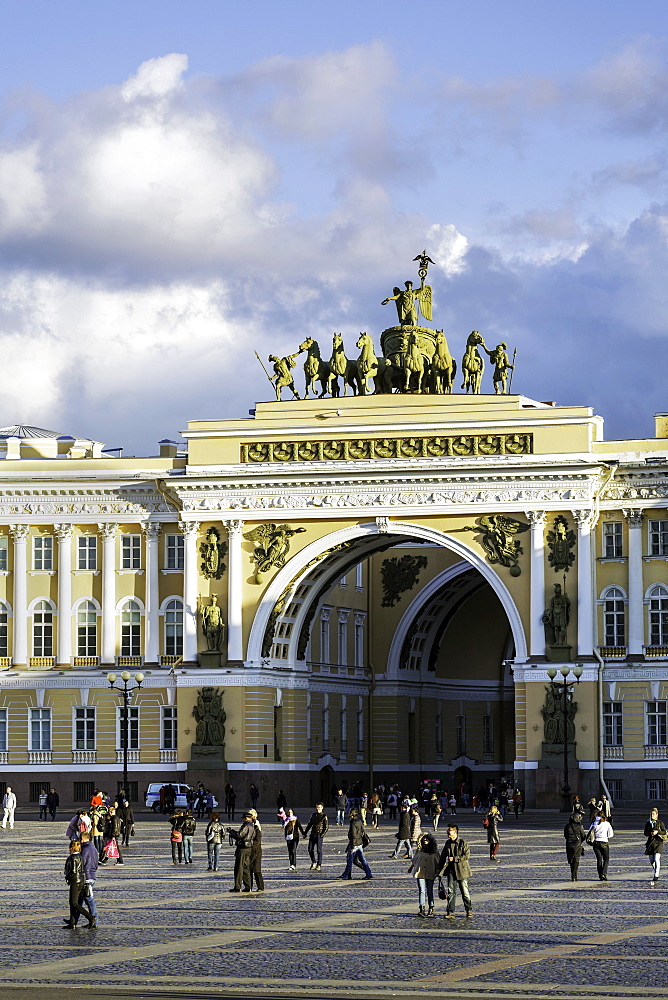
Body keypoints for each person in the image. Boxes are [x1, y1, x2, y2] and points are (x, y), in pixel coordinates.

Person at [438, 824, 473, 920]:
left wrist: (455, 858)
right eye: (448, 830)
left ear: (455, 832)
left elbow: (466, 856)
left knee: (464, 892)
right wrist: (439, 870)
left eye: (450, 830)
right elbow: (442, 857)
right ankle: (450, 911)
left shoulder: (463, 843)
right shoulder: (447, 843)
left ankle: (468, 910)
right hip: (451, 871)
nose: (448, 832)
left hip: (462, 871)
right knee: (450, 892)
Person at [63, 841, 94, 929]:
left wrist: (67, 877)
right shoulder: (80, 857)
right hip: (81, 880)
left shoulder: (73, 858)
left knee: (74, 903)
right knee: (73, 902)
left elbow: (73, 870)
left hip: (75, 881)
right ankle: (72, 922)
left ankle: (90, 917)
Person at [408, 833, 439, 917]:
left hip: (430, 872)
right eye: (424, 839)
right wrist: (411, 867)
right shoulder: (419, 850)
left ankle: (431, 908)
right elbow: (415, 859)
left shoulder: (434, 851)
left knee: (429, 891)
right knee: (422, 890)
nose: (425, 841)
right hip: (420, 872)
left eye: (427, 839)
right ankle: (422, 909)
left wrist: (438, 872)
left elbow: (438, 862)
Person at [340, 808, 373, 880]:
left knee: (350, 860)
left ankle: (346, 875)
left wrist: (352, 846)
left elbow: (354, 835)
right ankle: (369, 873)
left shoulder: (353, 822)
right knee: (362, 860)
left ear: (351, 814)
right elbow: (362, 831)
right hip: (360, 843)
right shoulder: (359, 820)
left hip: (355, 844)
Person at [228, 811, 256, 892]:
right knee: (245, 867)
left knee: (239, 867)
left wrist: (231, 832)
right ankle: (248, 886)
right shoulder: (252, 826)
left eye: (244, 818)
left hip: (242, 848)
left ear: (246, 818)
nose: (243, 820)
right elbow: (253, 836)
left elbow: (240, 834)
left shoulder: (246, 825)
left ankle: (237, 887)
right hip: (249, 847)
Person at [79, 832, 99, 928]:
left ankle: (94, 921)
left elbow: (81, 863)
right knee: (79, 901)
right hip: (91, 875)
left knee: (89, 900)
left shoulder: (85, 849)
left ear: (83, 838)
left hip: (86, 877)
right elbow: (96, 863)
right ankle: (73, 920)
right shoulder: (93, 848)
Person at [644, 807, 667, 886]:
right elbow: (645, 833)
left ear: (657, 815)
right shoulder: (648, 823)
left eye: (653, 814)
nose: (652, 815)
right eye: (651, 814)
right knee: (652, 860)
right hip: (651, 843)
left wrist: (658, 832)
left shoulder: (660, 822)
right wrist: (650, 833)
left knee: (657, 858)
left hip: (658, 842)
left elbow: (664, 832)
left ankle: (656, 875)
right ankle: (655, 870)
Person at [589, 810, 614, 881]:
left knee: (599, 859)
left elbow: (590, 832)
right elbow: (611, 835)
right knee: (606, 859)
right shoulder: (607, 824)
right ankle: (604, 873)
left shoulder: (594, 823)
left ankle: (600, 875)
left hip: (596, 843)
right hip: (604, 842)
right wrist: (605, 836)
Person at [304, 802, 329, 871]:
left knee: (319, 850)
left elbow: (326, 827)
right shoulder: (314, 815)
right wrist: (305, 833)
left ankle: (319, 864)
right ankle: (313, 861)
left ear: (322, 808)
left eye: (320, 807)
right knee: (310, 849)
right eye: (317, 807)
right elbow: (310, 824)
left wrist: (322, 835)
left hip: (319, 834)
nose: (318, 809)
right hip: (313, 834)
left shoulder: (324, 816)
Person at [564, 814, 587, 881]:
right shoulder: (580, 826)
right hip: (577, 844)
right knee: (576, 859)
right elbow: (583, 836)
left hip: (569, 844)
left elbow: (565, 835)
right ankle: (575, 875)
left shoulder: (567, 826)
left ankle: (572, 875)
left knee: (571, 859)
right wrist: (579, 841)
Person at [249, 809, 264, 891]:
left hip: (256, 849)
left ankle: (260, 886)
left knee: (257, 869)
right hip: (251, 849)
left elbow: (257, 838)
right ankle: (249, 886)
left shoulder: (256, 825)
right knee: (249, 869)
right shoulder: (250, 824)